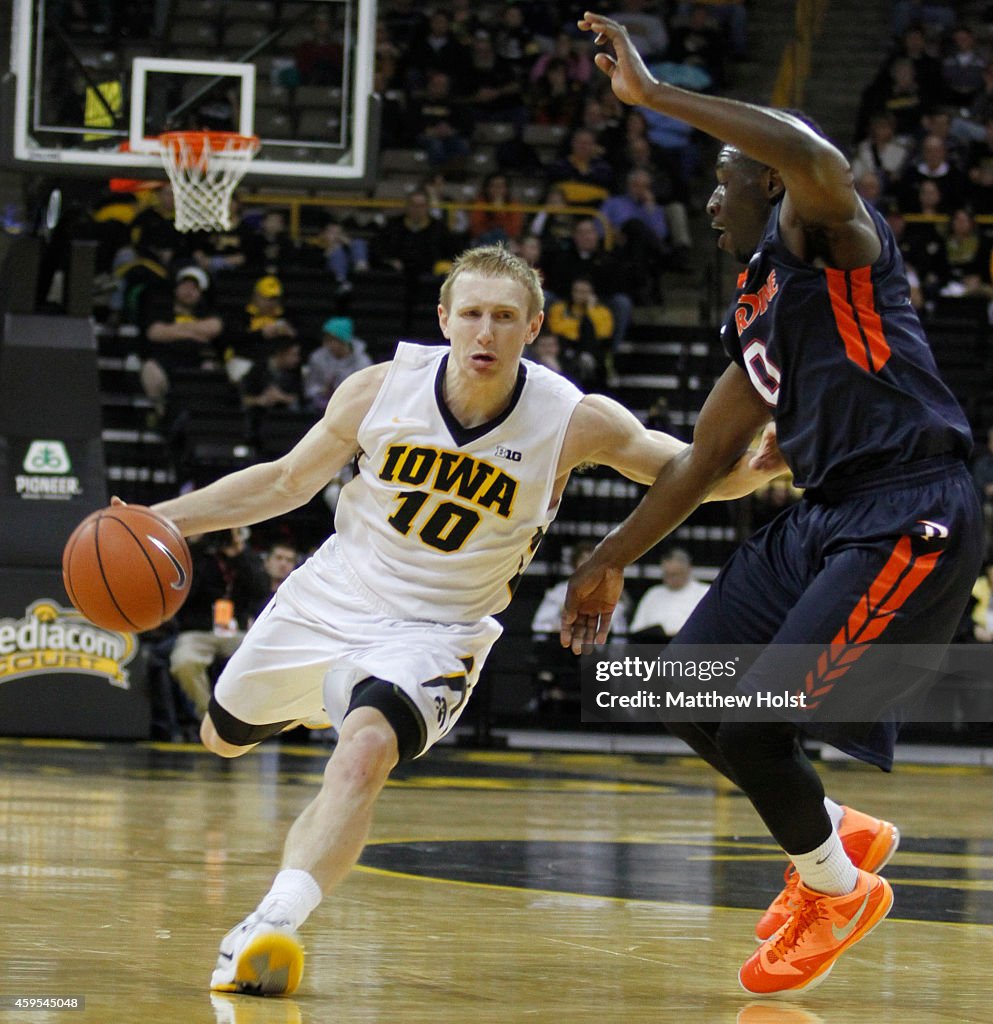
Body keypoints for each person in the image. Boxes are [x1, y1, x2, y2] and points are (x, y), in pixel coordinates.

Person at [132, 245, 783, 997]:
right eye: (471, 314)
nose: (486, 331)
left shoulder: (573, 420)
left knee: (365, 752)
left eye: (505, 317)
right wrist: (158, 519)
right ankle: (327, 698)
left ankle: (269, 924)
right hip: (332, 598)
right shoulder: (379, 390)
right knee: (220, 739)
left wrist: (759, 467)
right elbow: (283, 481)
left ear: (533, 326)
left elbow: (686, 469)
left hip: (437, 630)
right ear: (443, 319)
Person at [560, 14, 983, 998]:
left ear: (768, 184)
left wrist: (653, 95)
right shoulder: (751, 303)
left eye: (723, 180)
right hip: (823, 516)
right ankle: (836, 838)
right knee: (680, 692)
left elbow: (811, 149)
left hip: (906, 510)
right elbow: (705, 459)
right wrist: (610, 555)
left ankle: (837, 888)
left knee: (754, 726)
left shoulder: (832, 237)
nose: (711, 200)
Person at [627, 547, 709, 641]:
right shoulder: (653, 594)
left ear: (688, 570)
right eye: (667, 574)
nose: (671, 579)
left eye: (675, 574)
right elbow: (636, 629)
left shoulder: (704, 592)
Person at [303, 317, 373, 412]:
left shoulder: (363, 361)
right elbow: (310, 387)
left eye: (333, 340)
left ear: (344, 340)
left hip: (353, 404)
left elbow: (368, 389)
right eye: (327, 340)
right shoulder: (317, 358)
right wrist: (322, 390)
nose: (329, 344)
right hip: (322, 406)